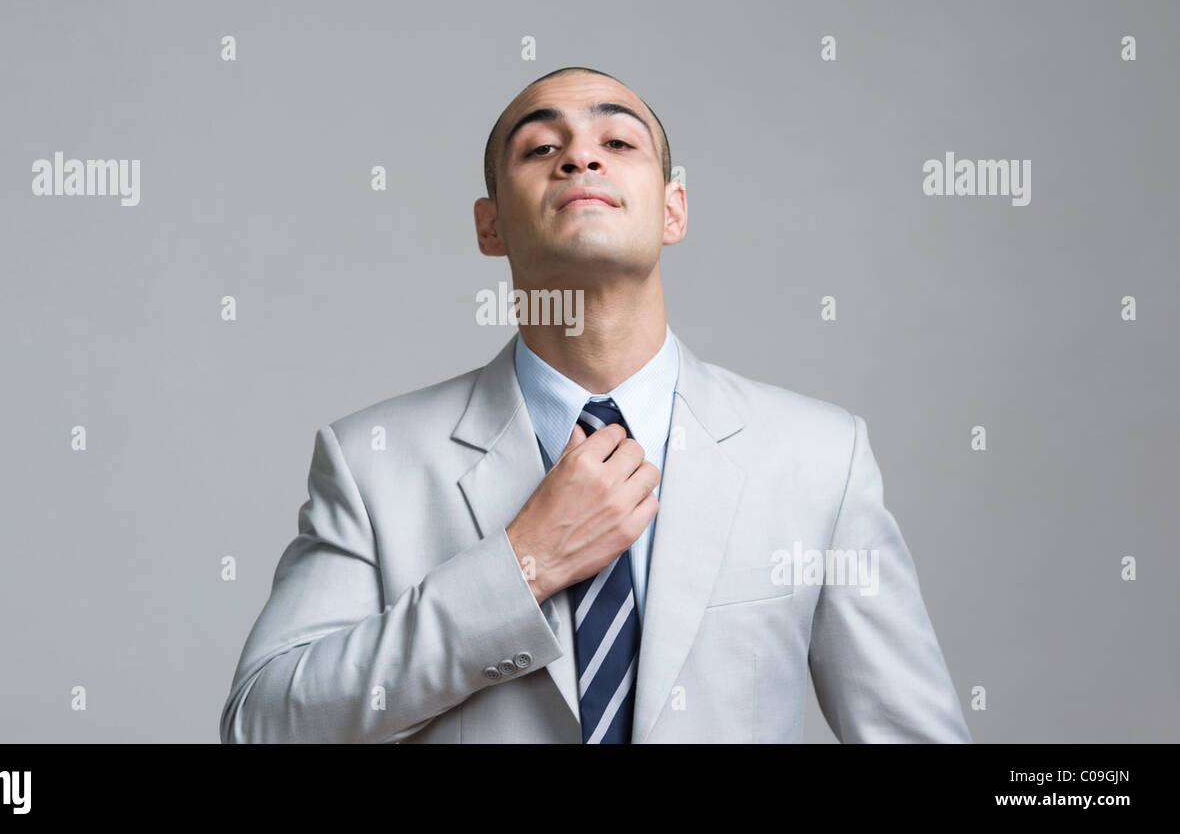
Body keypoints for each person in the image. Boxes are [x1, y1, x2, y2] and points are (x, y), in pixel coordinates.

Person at [219, 66, 973, 744]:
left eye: (619, 140)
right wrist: (521, 566)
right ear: (489, 225)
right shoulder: (372, 463)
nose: (582, 156)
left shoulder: (819, 458)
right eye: (541, 148)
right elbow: (264, 722)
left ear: (674, 209)